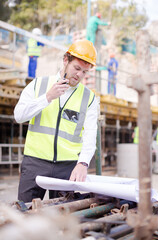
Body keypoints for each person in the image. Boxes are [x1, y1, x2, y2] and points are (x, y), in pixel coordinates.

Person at [14, 39, 98, 203]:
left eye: (85, 72)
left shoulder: (89, 98)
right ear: (66, 60)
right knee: (25, 215)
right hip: (34, 164)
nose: (79, 75)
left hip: (67, 168)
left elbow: (90, 134)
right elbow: (19, 116)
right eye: (77, 68)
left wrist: (83, 163)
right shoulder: (38, 84)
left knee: (64, 220)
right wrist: (47, 98)